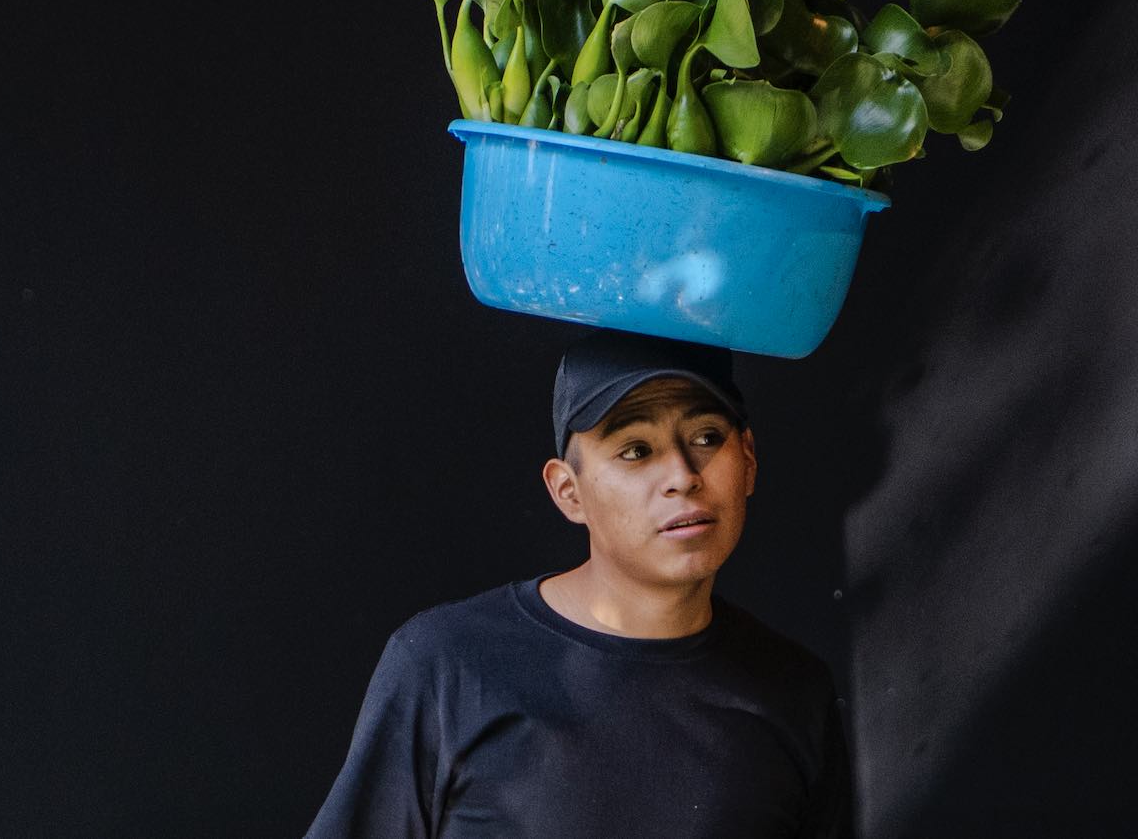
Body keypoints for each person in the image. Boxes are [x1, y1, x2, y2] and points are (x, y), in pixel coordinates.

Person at [304, 332, 853, 838]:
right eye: (636, 450)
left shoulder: (795, 691)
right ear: (569, 492)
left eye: (706, 437)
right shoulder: (450, 665)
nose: (684, 475)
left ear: (748, 460)